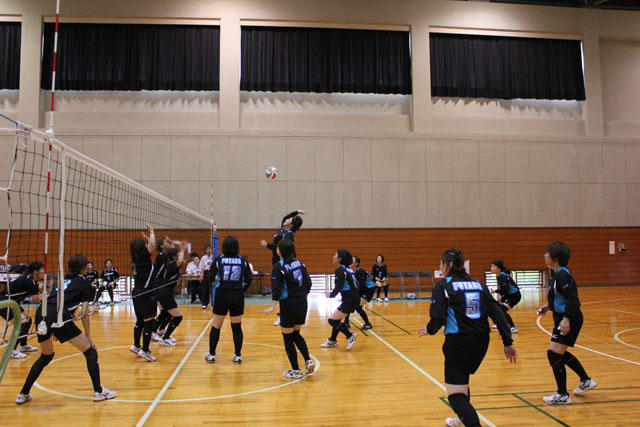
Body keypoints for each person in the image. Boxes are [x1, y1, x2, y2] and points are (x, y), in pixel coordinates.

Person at [418, 248, 516, 427]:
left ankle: (469, 421)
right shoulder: (479, 284)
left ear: (446, 266)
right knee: (461, 379)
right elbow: (498, 313)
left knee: (456, 396)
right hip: (482, 341)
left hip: (458, 342)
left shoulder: (443, 285)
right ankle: (461, 420)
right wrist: (507, 342)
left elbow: (438, 316)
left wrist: (430, 330)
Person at [15, 254, 116, 404]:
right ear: (84, 268)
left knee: (46, 356)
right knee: (90, 352)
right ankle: (99, 392)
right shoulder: (85, 284)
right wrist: (88, 337)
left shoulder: (61, 280)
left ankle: (23, 393)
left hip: (42, 314)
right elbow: (84, 314)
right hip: (58, 316)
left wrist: (54, 328)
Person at [537, 241, 596, 405]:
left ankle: (563, 395)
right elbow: (561, 296)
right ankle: (585, 380)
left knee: (553, 353)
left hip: (570, 318)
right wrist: (548, 307)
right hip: (563, 317)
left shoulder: (563, 275)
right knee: (559, 353)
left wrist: (566, 319)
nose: (545, 255)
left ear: (555, 258)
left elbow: (573, 300)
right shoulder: (556, 274)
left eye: (547, 253)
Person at [261, 239, 314, 379]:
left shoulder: (279, 266)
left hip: (288, 304)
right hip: (302, 302)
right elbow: (308, 283)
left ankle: (296, 370)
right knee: (296, 334)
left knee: (288, 338)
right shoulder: (300, 263)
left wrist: (273, 306)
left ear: (279, 251)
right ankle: (308, 360)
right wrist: (302, 296)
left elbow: (276, 288)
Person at [204, 236, 252, 364]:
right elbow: (249, 279)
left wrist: (212, 276)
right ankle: (237, 355)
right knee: (236, 327)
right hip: (237, 296)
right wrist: (243, 288)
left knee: (216, 326)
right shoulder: (243, 261)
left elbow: (210, 278)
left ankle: (212, 354)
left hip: (222, 295)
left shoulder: (218, 260)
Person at [260, 209, 307, 326]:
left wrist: (268, 245)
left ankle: (283, 315)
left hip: (284, 263)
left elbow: (281, 247)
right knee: (281, 288)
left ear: (291, 225)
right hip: (276, 261)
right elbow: (286, 217)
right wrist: (297, 211)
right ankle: (282, 314)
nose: (286, 219)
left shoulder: (289, 235)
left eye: (289, 220)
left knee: (283, 288)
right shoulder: (283, 229)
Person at [1, 262, 44, 359]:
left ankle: (23, 345)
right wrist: (49, 298)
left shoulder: (31, 280)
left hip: (12, 302)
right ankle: (11, 351)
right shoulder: (30, 282)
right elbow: (37, 299)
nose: (43, 274)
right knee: (22, 323)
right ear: (35, 272)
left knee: (27, 321)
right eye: (41, 272)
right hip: (5, 302)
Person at [129, 224, 158, 362]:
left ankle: (136, 345)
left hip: (137, 292)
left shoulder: (136, 257)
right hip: (145, 292)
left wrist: (147, 239)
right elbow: (152, 246)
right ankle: (145, 350)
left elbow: (150, 247)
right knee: (149, 322)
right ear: (142, 248)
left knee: (140, 320)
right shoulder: (143, 257)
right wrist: (152, 232)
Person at [321, 249, 358, 350]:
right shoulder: (349, 269)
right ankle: (332, 340)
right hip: (353, 297)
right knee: (336, 319)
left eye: (335, 255)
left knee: (332, 321)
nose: (333, 257)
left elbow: (338, 287)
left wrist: (330, 295)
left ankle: (350, 336)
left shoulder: (340, 270)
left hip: (350, 299)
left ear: (340, 259)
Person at [154, 244, 187, 346]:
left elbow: (181, 261)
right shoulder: (172, 264)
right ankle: (165, 338)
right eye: (178, 255)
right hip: (165, 293)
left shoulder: (172, 264)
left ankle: (161, 331)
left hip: (167, 293)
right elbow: (180, 261)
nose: (180, 256)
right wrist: (182, 249)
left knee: (167, 314)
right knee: (178, 316)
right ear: (174, 257)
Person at [490, 260, 521, 333]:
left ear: (498, 268)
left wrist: (495, 291)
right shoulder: (499, 275)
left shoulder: (502, 276)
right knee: (497, 307)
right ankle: (499, 323)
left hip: (514, 296)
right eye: (491, 266)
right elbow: (503, 289)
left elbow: (505, 290)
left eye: (493, 266)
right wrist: (501, 297)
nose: (491, 268)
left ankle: (513, 327)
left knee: (502, 310)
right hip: (509, 295)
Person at [351, 255, 374, 330]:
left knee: (357, 306)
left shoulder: (361, 271)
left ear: (356, 263)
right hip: (361, 290)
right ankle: (346, 322)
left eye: (352, 260)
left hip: (368, 290)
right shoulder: (351, 271)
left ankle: (368, 324)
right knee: (350, 303)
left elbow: (362, 285)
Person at [199, 245, 214, 309]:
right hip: (206, 272)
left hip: (213, 272)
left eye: (209, 249)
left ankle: (214, 303)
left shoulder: (214, 257)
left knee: (214, 288)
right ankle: (205, 303)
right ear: (205, 250)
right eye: (207, 249)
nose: (208, 250)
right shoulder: (203, 258)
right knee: (205, 289)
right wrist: (201, 276)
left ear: (212, 250)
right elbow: (202, 268)